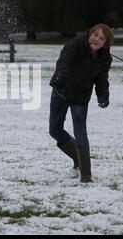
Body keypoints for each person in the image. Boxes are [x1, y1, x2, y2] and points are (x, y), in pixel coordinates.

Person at [49, 24, 114, 183]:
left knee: (80, 132)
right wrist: (61, 75)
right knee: (54, 130)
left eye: (101, 38)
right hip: (62, 90)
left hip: (81, 96)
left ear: (105, 44)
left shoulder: (105, 58)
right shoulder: (76, 44)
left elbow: (101, 80)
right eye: (95, 35)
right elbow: (64, 59)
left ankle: (86, 175)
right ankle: (78, 159)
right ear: (90, 33)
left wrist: (103, 95)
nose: (96, 39)